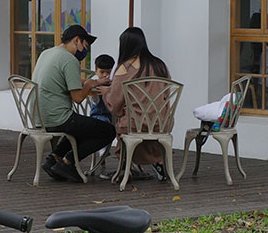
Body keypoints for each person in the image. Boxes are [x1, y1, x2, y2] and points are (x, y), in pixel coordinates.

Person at [32, 24, 113, 183]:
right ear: (77, 40)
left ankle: (53, 159)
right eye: (85, 45)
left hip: (39, 117)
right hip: (57, 118)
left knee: (81, 126)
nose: (85, 50)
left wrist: (93, 81)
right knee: (107, 131)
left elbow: (63, 79)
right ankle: (68, 163)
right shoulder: (69, 59)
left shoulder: (47, 53)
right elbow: (77, 98)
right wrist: (89, 85)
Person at [103, 26, 173, 180]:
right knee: (144, 122)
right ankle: (158, 161)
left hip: (134, 124)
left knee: (126, 123)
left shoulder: (125, 68)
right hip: (161, 122)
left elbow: (114, 105)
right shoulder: (160, 65)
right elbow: (166, 95)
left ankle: (124, 167)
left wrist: (104, 93)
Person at [87, 54, 116, 125]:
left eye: (108, 72)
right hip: (98, 115)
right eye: (102, 72)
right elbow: (94, 101)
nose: (105, 75)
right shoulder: (94, 83)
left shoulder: (115, 83)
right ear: (96, 71)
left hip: (114, 116)